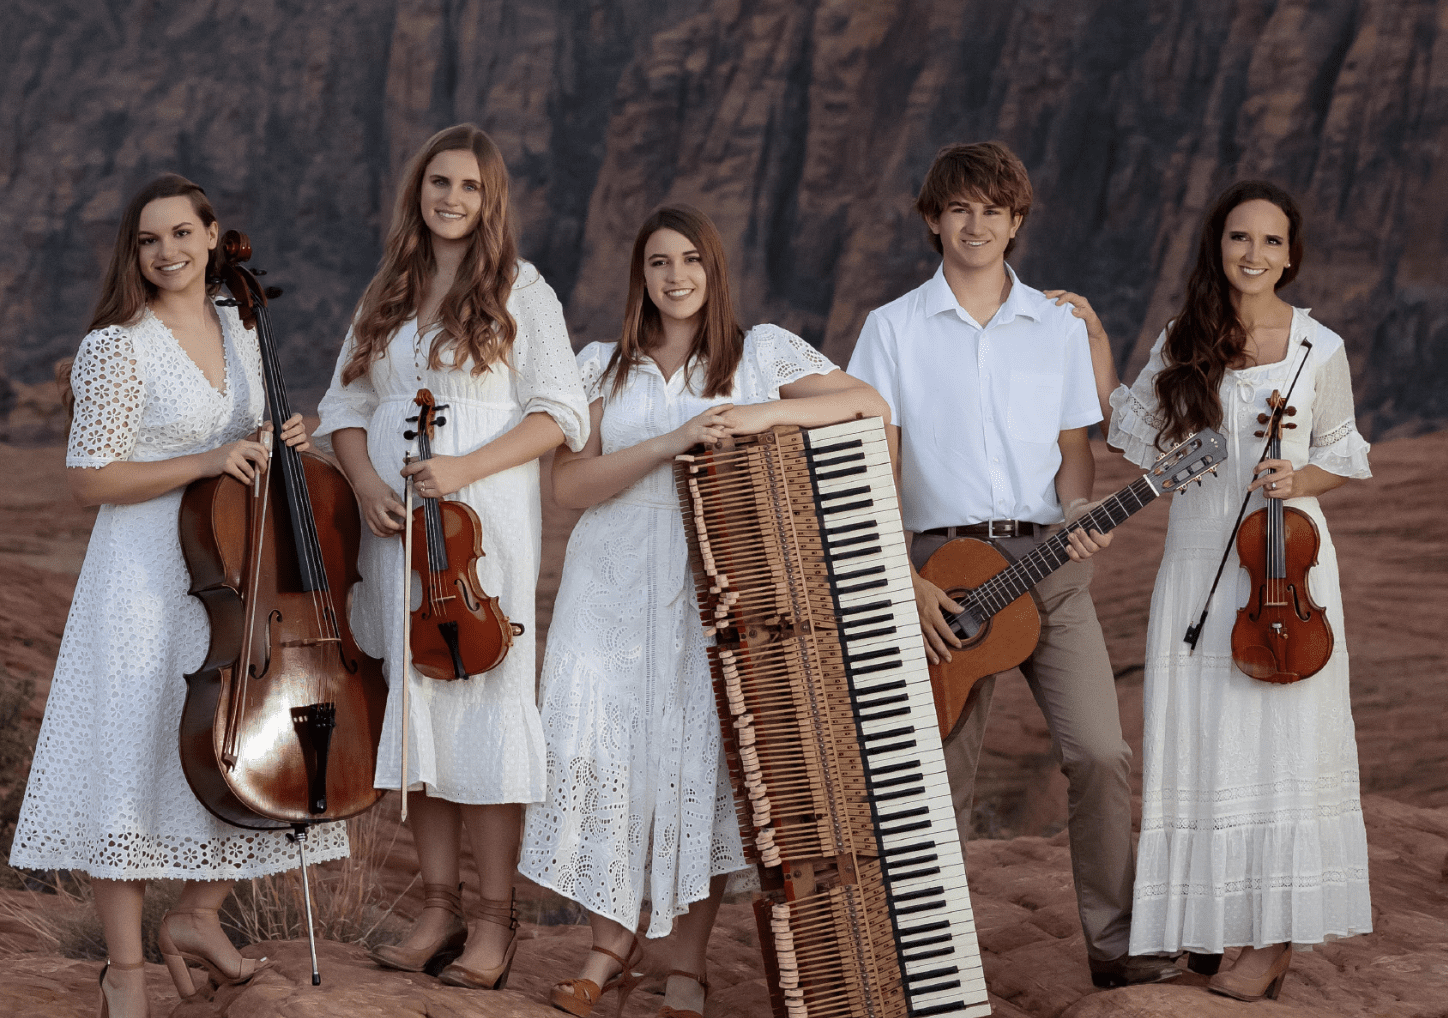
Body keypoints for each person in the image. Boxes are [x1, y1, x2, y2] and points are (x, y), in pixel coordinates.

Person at [518, 204, 888, 1018]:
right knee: (603, 754)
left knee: (700, 763)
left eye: (691, 260)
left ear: (714, 270)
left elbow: (866, 405)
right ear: (639, 276)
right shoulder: (602, 368)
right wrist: (666, 443)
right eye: (658, 262)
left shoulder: (758, 354)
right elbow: (570, 486)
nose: (676, 276)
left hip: (717, 582)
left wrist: (764, 413)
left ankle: (682, 966)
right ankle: (606, 952)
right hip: (609, 580)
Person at [7, 174, 345, 1018]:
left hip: (232, 570)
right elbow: (91, 479)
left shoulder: (242, 323)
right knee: (128, 758)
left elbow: (253, 439)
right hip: (139, 574)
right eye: (150, 239)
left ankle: (197, 919)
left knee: (230, 744)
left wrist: (283, 439)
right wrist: (208, 458)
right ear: (136, 250)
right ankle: (123, 973)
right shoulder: (118, 345)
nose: (168, 252)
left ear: (211, 234)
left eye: (182, 235)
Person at [846, 141, 1180, 988]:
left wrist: (1079, 514)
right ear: (933, 219)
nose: (976, 224)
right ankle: (933, 966)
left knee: (1101, 753)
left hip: (1049, 564)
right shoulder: (889, 330)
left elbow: (1076, 451)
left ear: (1017, 221)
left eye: (993, 209)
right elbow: (871, 462)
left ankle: (1115, 947)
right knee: (939, 776)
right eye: (959, 208)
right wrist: (902, 577)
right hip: (936, 571)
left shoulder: (1059, 327)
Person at [1062, 179, 1372, 1001]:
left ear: (1292, 254)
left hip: (1283, 567)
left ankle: (1273, 943)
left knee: (1282, 746)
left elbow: (1345, 453)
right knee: (1202, 744)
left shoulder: (1319, 347)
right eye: (1241, 238)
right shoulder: (1185, 337)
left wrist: (1294, 472)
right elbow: (1130, 430)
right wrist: (1095, 334)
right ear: (1218, 245)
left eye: (1272, 242)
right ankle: (1209, 925)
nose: (1256, 254)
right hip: (1199, 565)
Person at [315, 124, 589, 990]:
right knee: (420, 720)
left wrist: (463, 470)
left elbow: (559, 413)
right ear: (418, 189)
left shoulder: (522, 291)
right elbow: (344, 404)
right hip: (396, 530)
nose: (452, 199)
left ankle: (496, 924)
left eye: (470, 187)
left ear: (490, 198)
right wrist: (363, 485)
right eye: (439, 182)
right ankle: (438, 908)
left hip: (481, 531)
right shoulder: (388, 289)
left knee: (487, 709)